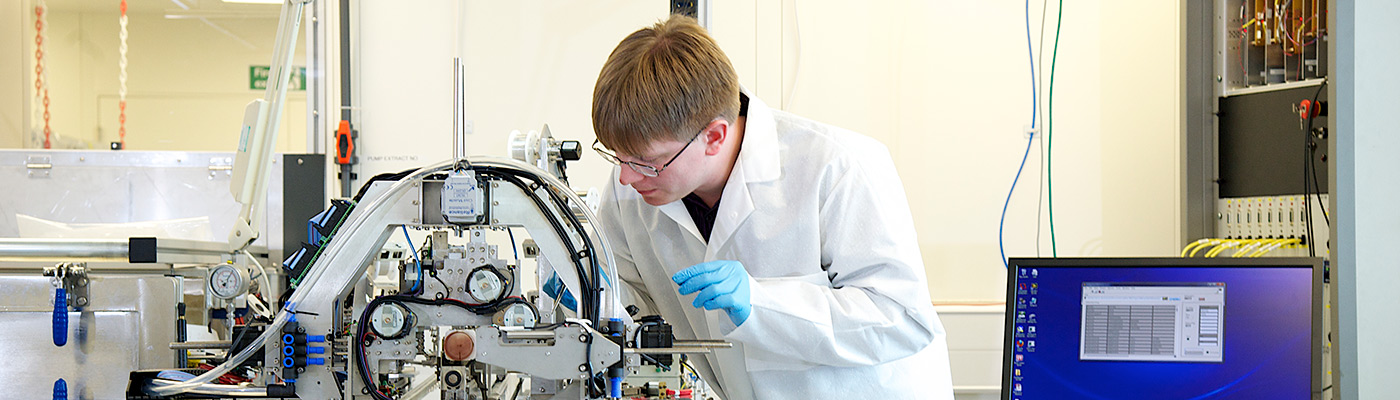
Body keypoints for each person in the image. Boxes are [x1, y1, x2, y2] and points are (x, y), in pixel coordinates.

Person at [591, 15, 953, 400]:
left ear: (714, 136)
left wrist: (762, 303)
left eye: (646, 161)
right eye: (618, 157)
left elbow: (903, 320)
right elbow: (630, 299)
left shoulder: (837, 167)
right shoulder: (636, 186)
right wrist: (589, 293)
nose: (627, 178)